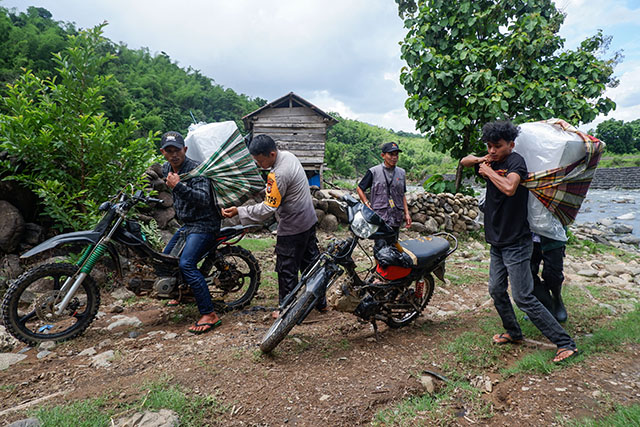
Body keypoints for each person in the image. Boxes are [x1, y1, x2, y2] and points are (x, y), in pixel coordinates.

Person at [460, 120, 578, 363]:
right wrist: (484, 159)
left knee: (523, 297)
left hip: (516, 241)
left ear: (511, 145)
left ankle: (565, 343)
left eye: (498, 146)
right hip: (497, 241)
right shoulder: (490, 159)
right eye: (489, 146)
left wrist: (488, 171)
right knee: (495, 289)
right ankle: (513, 332)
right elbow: (464, 160)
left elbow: (510, 187)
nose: (492, 150)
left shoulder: (516, 162)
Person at [221, 134, 324, 318]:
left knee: (286, 269)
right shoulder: (289, 157)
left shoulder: (278, 174)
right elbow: (277, 192)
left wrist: (240, 211)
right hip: (308, 220)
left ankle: (286, 309)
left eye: (260, 160)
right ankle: (320, 303)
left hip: (293, 227)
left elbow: (268, 208)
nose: (259, 164)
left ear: (271, 154)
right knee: (311, 264)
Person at [160, 131, 222, 335]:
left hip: (205, 224)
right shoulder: (166, 168)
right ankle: (183, 292)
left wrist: (178, 187)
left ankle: (209, 314)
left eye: (177, 150)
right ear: (163, 153)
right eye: (169, 151)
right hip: (187, 225)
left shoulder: (197, 170)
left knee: (186, 263)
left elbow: (203, 199)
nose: (173, 154)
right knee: (165, 261)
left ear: (184, 149)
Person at [356, 142, 412, 252]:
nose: (394, 158)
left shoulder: (401, 173)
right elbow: (360, 188)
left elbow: (402, 195)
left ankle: (391, 269)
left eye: (396, 155)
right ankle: (379, 269)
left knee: (394, 245)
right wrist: (367, 204)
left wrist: (406, 213)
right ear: (383, 155)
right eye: (391, 154)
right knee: (380, 246)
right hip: (380, 216)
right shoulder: (373, 171)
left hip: (396, 216)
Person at [530, 233, 568, 322]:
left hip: (553, 235)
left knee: (554, 275)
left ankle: (557, 298)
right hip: (527, 236)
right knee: (528, 274)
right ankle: (546, 304)